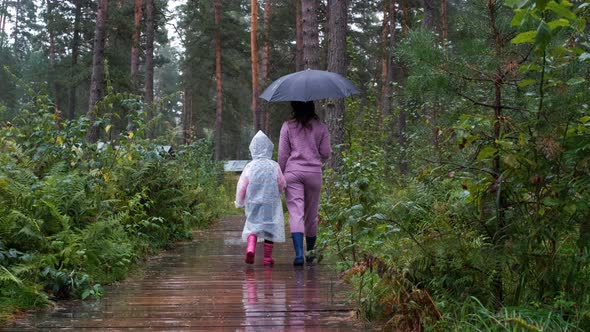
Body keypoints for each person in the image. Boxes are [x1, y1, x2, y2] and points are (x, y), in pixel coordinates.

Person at [278, 101, 331, 266]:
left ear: (294, 106)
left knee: (296, 213)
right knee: (311, 215)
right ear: (312, 107)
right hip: (314, 173)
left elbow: (282, 154)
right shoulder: (321, 127)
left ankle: (299, 254)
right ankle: (310, 253)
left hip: (293, 172)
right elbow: (326, 153)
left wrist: (280, 175)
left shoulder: (288, 126)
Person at [235, 131, 286, 265]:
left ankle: (251, 248)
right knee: (270, 226)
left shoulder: (250, 167)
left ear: (253, 148)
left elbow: (242, 186)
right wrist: (280, 192)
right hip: (270, 202)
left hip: (253, 201)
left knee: (253, 225)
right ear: (269, 148)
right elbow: (281, 183)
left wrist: (240, 201)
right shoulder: (274, 165)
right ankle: (267, 258)